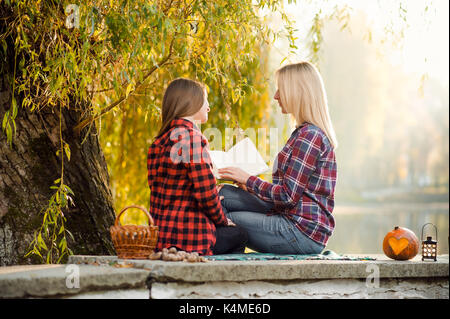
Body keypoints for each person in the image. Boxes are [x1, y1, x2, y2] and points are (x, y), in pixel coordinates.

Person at [218, 62, 338, 255]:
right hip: (288, 216)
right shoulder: (302, 133)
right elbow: (289, 194)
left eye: (281, 89)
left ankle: (217, 259)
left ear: (297, 92)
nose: (275, 96)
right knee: (222, 195)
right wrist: (249, 185)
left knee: (227, 218)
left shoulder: (310, 136)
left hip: (300, 232)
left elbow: (288, 196)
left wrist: (248, 178)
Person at [147, 78, 248, 256]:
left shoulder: (158, 143)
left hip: (161, 239)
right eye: (205, 100)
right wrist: (223, 220)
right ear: (192, 102)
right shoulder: (192, 138)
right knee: (239, 234)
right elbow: (206, 195)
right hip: (190, 238)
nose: (208, 106)